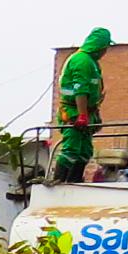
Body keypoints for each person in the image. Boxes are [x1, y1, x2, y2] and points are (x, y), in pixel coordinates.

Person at [53, 27, 111, 182]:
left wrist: (94, 113)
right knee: (71, 148)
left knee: (85, 150)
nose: (105, 51)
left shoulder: (92, 63)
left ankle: (74, 181)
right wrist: (82, 115)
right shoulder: (82, 61)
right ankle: (59, 181)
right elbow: (81, 89)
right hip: (74, 112)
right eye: (105, 47)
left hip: (86, 112)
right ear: (99, 46)